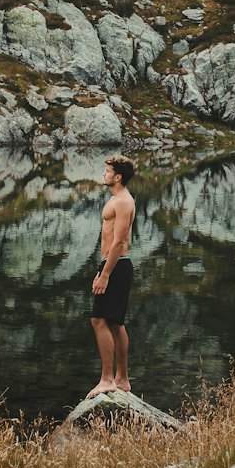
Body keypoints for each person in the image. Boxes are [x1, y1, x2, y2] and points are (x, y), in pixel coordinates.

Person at [88, 153, 136, 397]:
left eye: (107, 171)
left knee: (100, 320)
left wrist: (105, 274)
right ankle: (122, 380)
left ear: (117, 177)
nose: (103, 174)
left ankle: (108, 379)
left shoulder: (123, 202)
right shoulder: (119, 199)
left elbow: (118, 242)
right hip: (114, 264)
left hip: (116, 265)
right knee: (115, 323)